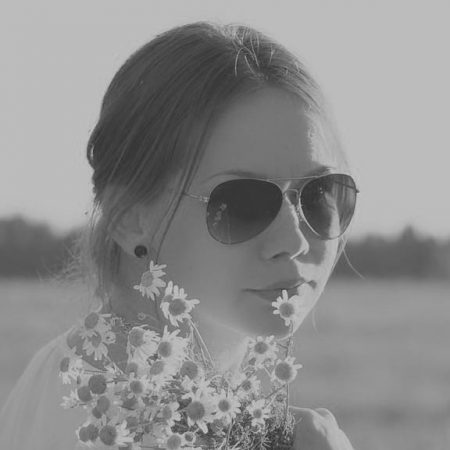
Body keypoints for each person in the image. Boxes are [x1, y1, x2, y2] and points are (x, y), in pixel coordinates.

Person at [0, 22, 359, 449]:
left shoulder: (59, 376)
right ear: (130, 218)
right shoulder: (152, 432)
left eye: (320, 195)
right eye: (242, 203)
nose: (294, 240)